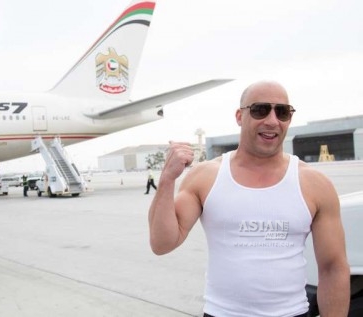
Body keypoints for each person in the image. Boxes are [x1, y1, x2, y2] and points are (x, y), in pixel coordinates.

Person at [148, 81, 349, 316]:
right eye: (260, 110)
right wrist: (166, 180)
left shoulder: (314, 184)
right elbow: (162, 243)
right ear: (239, 116)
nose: (272, 120)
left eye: (282, 112)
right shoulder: (206, 177)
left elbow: (333, 268)